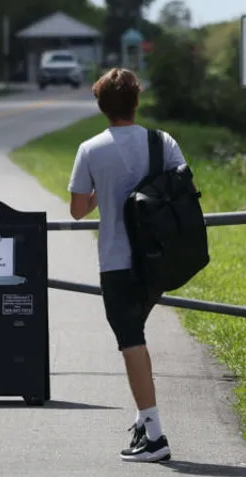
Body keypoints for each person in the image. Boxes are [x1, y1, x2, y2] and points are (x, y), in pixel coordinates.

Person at [67, 67, 186, 463]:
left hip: (117, 262)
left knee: (131, 344)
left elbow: (79, 209)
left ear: (101, 106)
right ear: (137, 102)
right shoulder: (162, 141)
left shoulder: (90, 149)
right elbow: (181, 186)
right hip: (157, 260)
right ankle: (142, 424)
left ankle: (154, 436)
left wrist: (106, 187)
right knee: (135, 337)